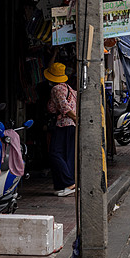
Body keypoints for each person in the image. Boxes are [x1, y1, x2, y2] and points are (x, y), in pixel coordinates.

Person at [45, 62, 77, 197]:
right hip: (71, 126)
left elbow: (64, 108)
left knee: (55, 153)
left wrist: (76, 118)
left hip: (63, 124)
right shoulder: (68, 88)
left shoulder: (57, 89)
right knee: (67, 155)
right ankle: (64, 185)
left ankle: (68, 182)